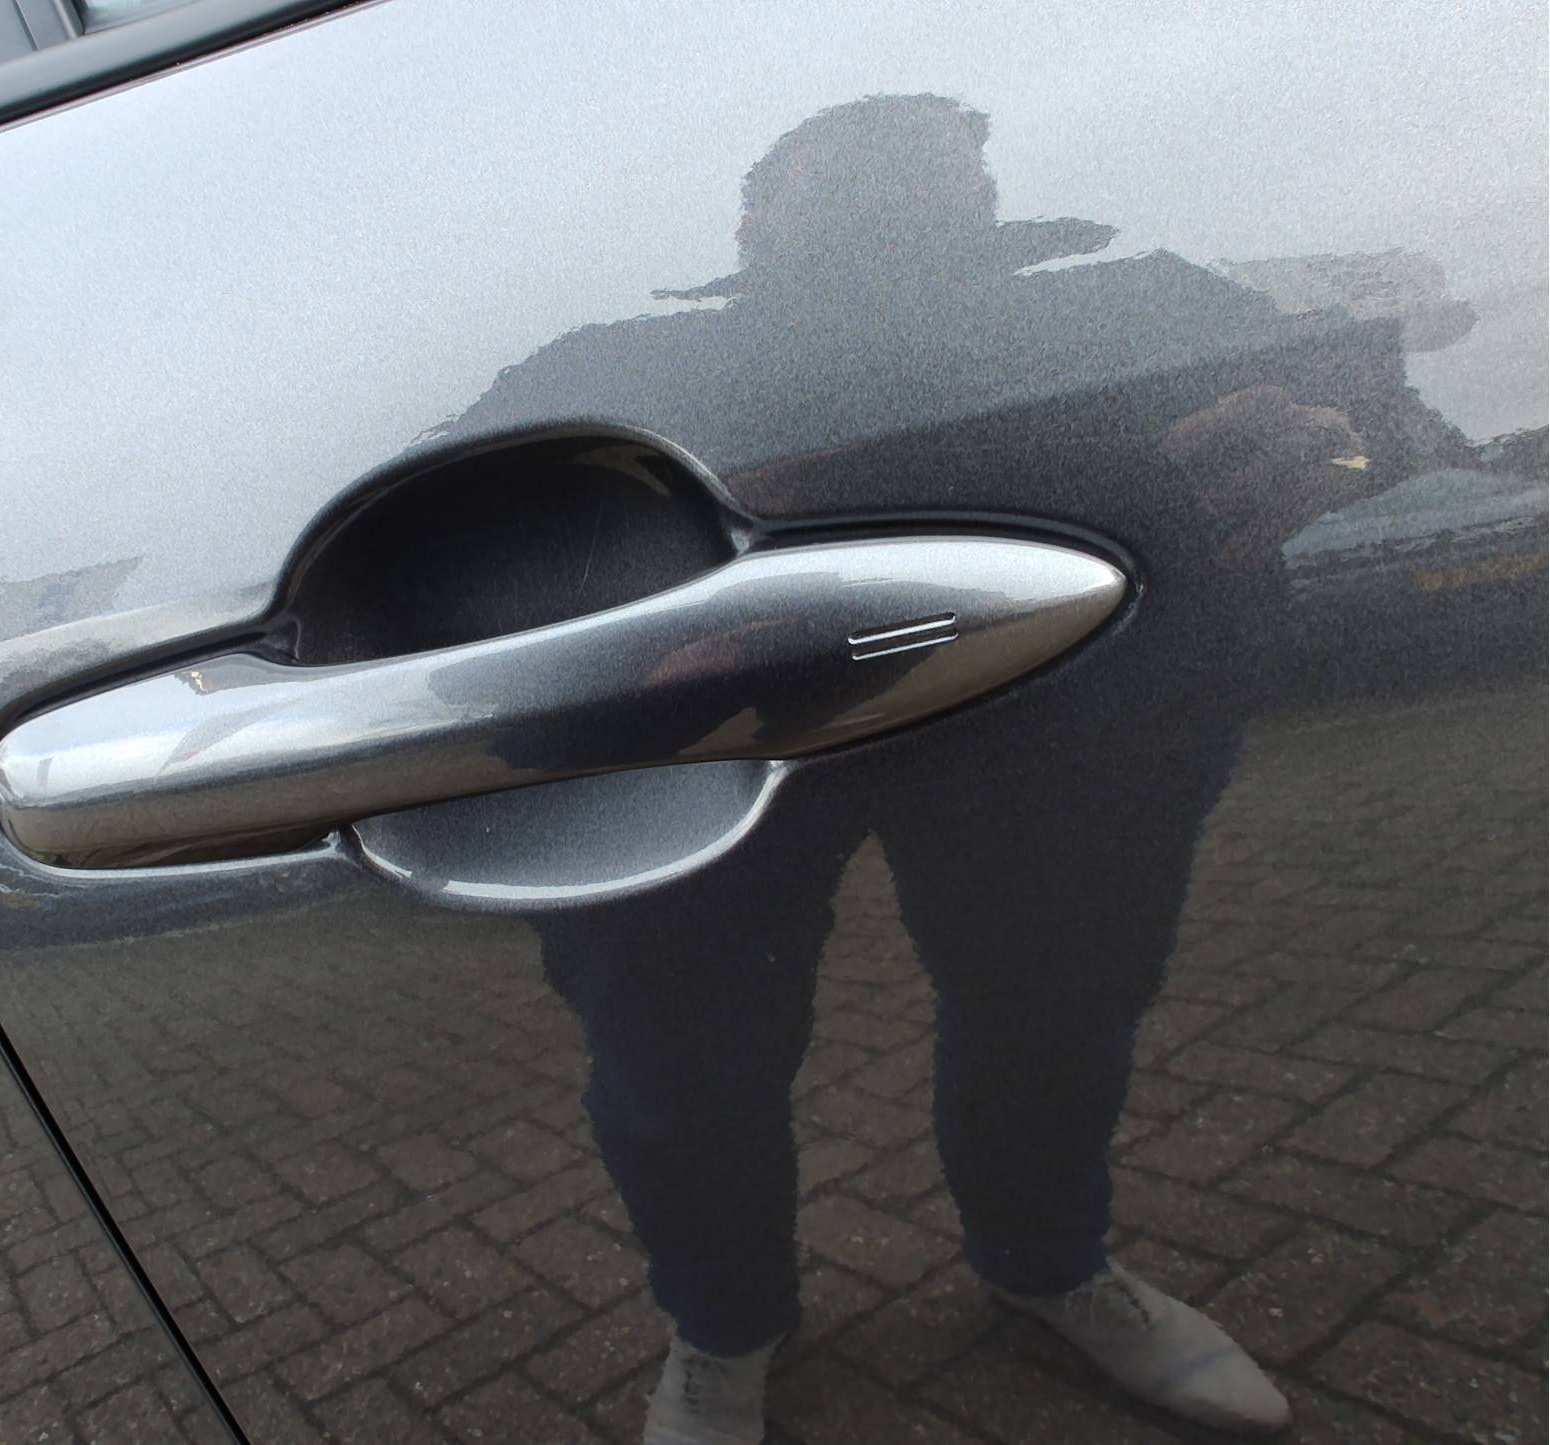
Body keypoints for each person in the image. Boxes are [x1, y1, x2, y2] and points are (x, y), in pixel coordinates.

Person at [434, 95, 1423, 1443]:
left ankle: (1045, 1262)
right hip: (716, 730)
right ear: (750, 215)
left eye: (933, 145)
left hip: (1080, 715)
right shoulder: (612, 364)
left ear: (986, 188)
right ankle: (726, 1324)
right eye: (835, 158)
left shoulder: (1138, 304)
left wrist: (1340, 447)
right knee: (679, 1069)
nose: (892, 169)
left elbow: (1391, 419)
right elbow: (445, 535)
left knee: (1057, 1015)